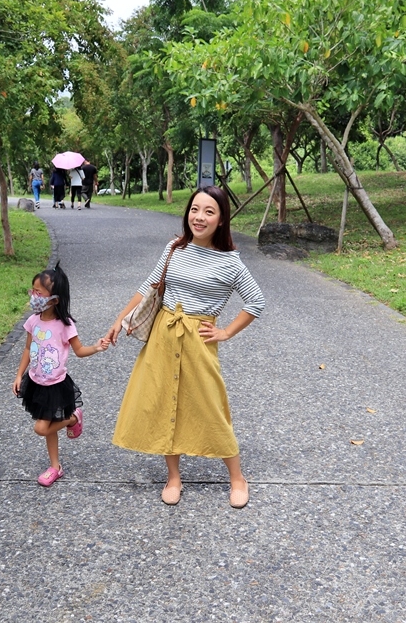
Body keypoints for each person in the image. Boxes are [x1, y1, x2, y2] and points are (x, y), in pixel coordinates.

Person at [106, 186, 265, 509]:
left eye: (209, 211)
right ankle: (174, 477)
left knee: (210, 405)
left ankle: (237, 477)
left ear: (221, 220)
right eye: (195, 209)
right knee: (167, 404)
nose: (199, 217)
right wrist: (119, 320)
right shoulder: (175, 248)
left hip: (198, 339)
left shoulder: (230, 263)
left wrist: (225, 332)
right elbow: (149, 286)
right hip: (163, 337)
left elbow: (256, 301)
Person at [13, 262, 110, 486]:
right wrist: (19, 375)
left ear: (54, 299)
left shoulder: (64, 326)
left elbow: (79, 350)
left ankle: (74, 417)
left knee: (41, 427)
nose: (33, 296)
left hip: (56, 385)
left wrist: (96, 347)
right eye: (32, 291)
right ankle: (55, 467)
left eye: (39, 293)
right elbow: (28, 349)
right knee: (48, 428)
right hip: (36, 383)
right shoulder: (33, 321)